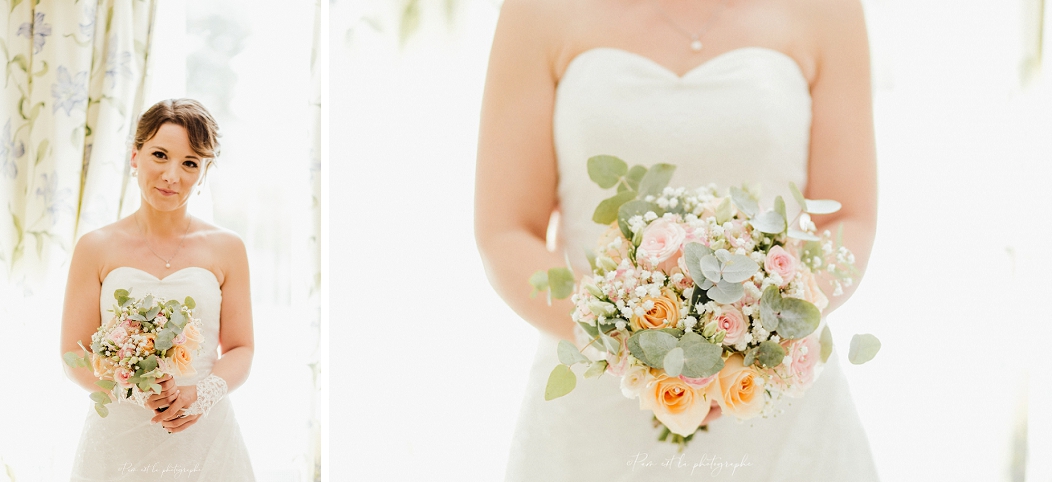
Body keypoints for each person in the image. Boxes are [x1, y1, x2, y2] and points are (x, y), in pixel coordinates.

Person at [474, 0, 879, 480]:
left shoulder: (829, 10)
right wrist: (623, 340)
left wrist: (758, 334)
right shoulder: (535, 11)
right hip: (595, 409)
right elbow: (506, 231)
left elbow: (848, 218)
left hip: (774, 402)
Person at [60, 99, 255, 480]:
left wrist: (201, 395)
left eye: (189, 163)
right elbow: (73, 353)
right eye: (160, 155)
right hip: (118, 438)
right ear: (135, 156)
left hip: (204, 435)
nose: (171, 175)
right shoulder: (95, 247)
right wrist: (135, 390)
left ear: (204, 171)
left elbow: (240, 348)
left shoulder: (228, 248)